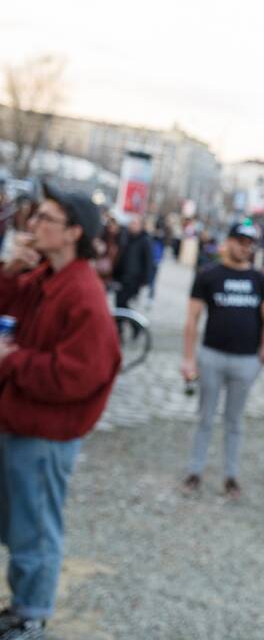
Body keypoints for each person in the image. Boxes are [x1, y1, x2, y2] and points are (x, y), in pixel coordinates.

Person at [0, 181, 121, 637]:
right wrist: (9, 272)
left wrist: (13, 361)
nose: (33, 226)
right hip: (20, 422)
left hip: (45, 433)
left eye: (45, 219)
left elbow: (79, 374)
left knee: (36, 529)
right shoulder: (43, 274)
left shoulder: (83, 293)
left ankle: (31, 614)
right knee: (19, 525)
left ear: (73, 232)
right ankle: (23, 605)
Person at [180, 221, 264, 499]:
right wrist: (189, 358)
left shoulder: (261, 280)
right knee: (205, 417)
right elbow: (192, 319)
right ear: (229, 242)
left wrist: (263, 357)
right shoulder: (209, 275)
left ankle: (230, 476)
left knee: (234, 421)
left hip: (246, 361)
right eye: (241, 241)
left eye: (250, 243)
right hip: (211, 356)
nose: (245, 247)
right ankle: (194, 471)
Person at [112, 214, 153, 309]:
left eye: (135, 223)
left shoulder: (145, 240)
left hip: (134, 280)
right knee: (119, 304)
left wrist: (145, 280)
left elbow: (148, 262)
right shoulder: (125, 236)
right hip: (121, 278)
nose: (132, 226)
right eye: (132, 223)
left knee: (127, 305)